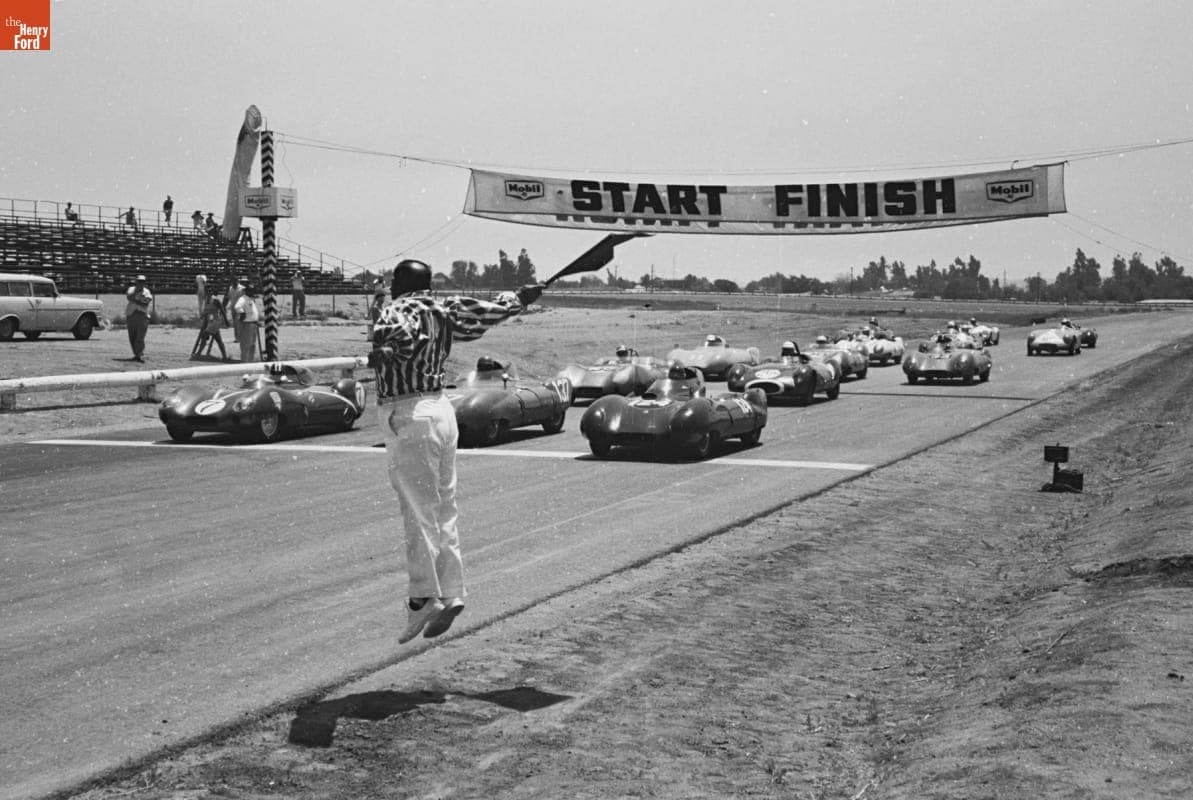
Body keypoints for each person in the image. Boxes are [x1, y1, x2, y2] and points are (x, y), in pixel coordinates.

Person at [370, 258, 544, 643]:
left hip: (409, 411)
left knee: (417, 512)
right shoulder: (443, 307)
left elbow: (396, 335)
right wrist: (519, 298)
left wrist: (385, 352)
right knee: (442, 508)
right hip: (440, 410)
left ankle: (422, 598)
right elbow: (490, 311)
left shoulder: (395, 309)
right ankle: (450, 592)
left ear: (399, 282)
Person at [193, 289, 229, 361]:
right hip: (210, 321)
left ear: (211, 292)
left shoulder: (216, 300)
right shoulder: (206, 300)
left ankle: (199, 353)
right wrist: (202, 316)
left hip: (216, 321)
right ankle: (224, 356)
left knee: (204, 335)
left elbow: (222, 310)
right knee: (218, 339)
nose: (207, 293)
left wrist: (226, 321)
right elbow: (206, 311)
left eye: (209, 292)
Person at [125, 274, 152, 362]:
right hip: (131, 314)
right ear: (136, 281)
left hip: (142, 315)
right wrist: (140, 299)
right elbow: (129, 297)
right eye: (139, 281)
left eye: (142, 282)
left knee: (140, 336)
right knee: (132, 336)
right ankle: (136, 354)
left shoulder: (147, 291)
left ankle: (140, 353)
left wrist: (137, 299)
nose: (141, 283)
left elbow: (146, 302)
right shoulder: (131, 289)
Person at [234, 284, 261, 362]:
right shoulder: (243, 299)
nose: (253, 292)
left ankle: (250, 362)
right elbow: (237, 307)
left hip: (253, 324)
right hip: (247, 324)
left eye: (253, 290)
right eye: (251, 290)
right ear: (247, 291)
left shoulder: (250, 299)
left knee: (252, 345)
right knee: (246, 345)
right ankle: (244, 362)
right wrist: (242, 313)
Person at [224, 278, 244, 343]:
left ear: (237, 282)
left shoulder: (242, 288)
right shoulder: (230, 289)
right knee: (235, 324)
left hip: (240, 308)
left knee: (238, 323)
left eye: (235, 282)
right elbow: (228, 297)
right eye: (233, 282)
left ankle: (240, 338)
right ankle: (237, 338)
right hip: (233, 308)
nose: (233, 284)